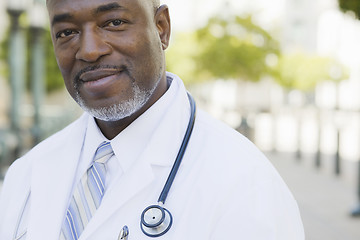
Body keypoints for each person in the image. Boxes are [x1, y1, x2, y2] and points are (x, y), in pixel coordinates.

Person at [0, 0, 304, 239]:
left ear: (161, 28)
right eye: (67, 32)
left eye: (114, 23)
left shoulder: (245, 182)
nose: (90, 50)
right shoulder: (27, 172)